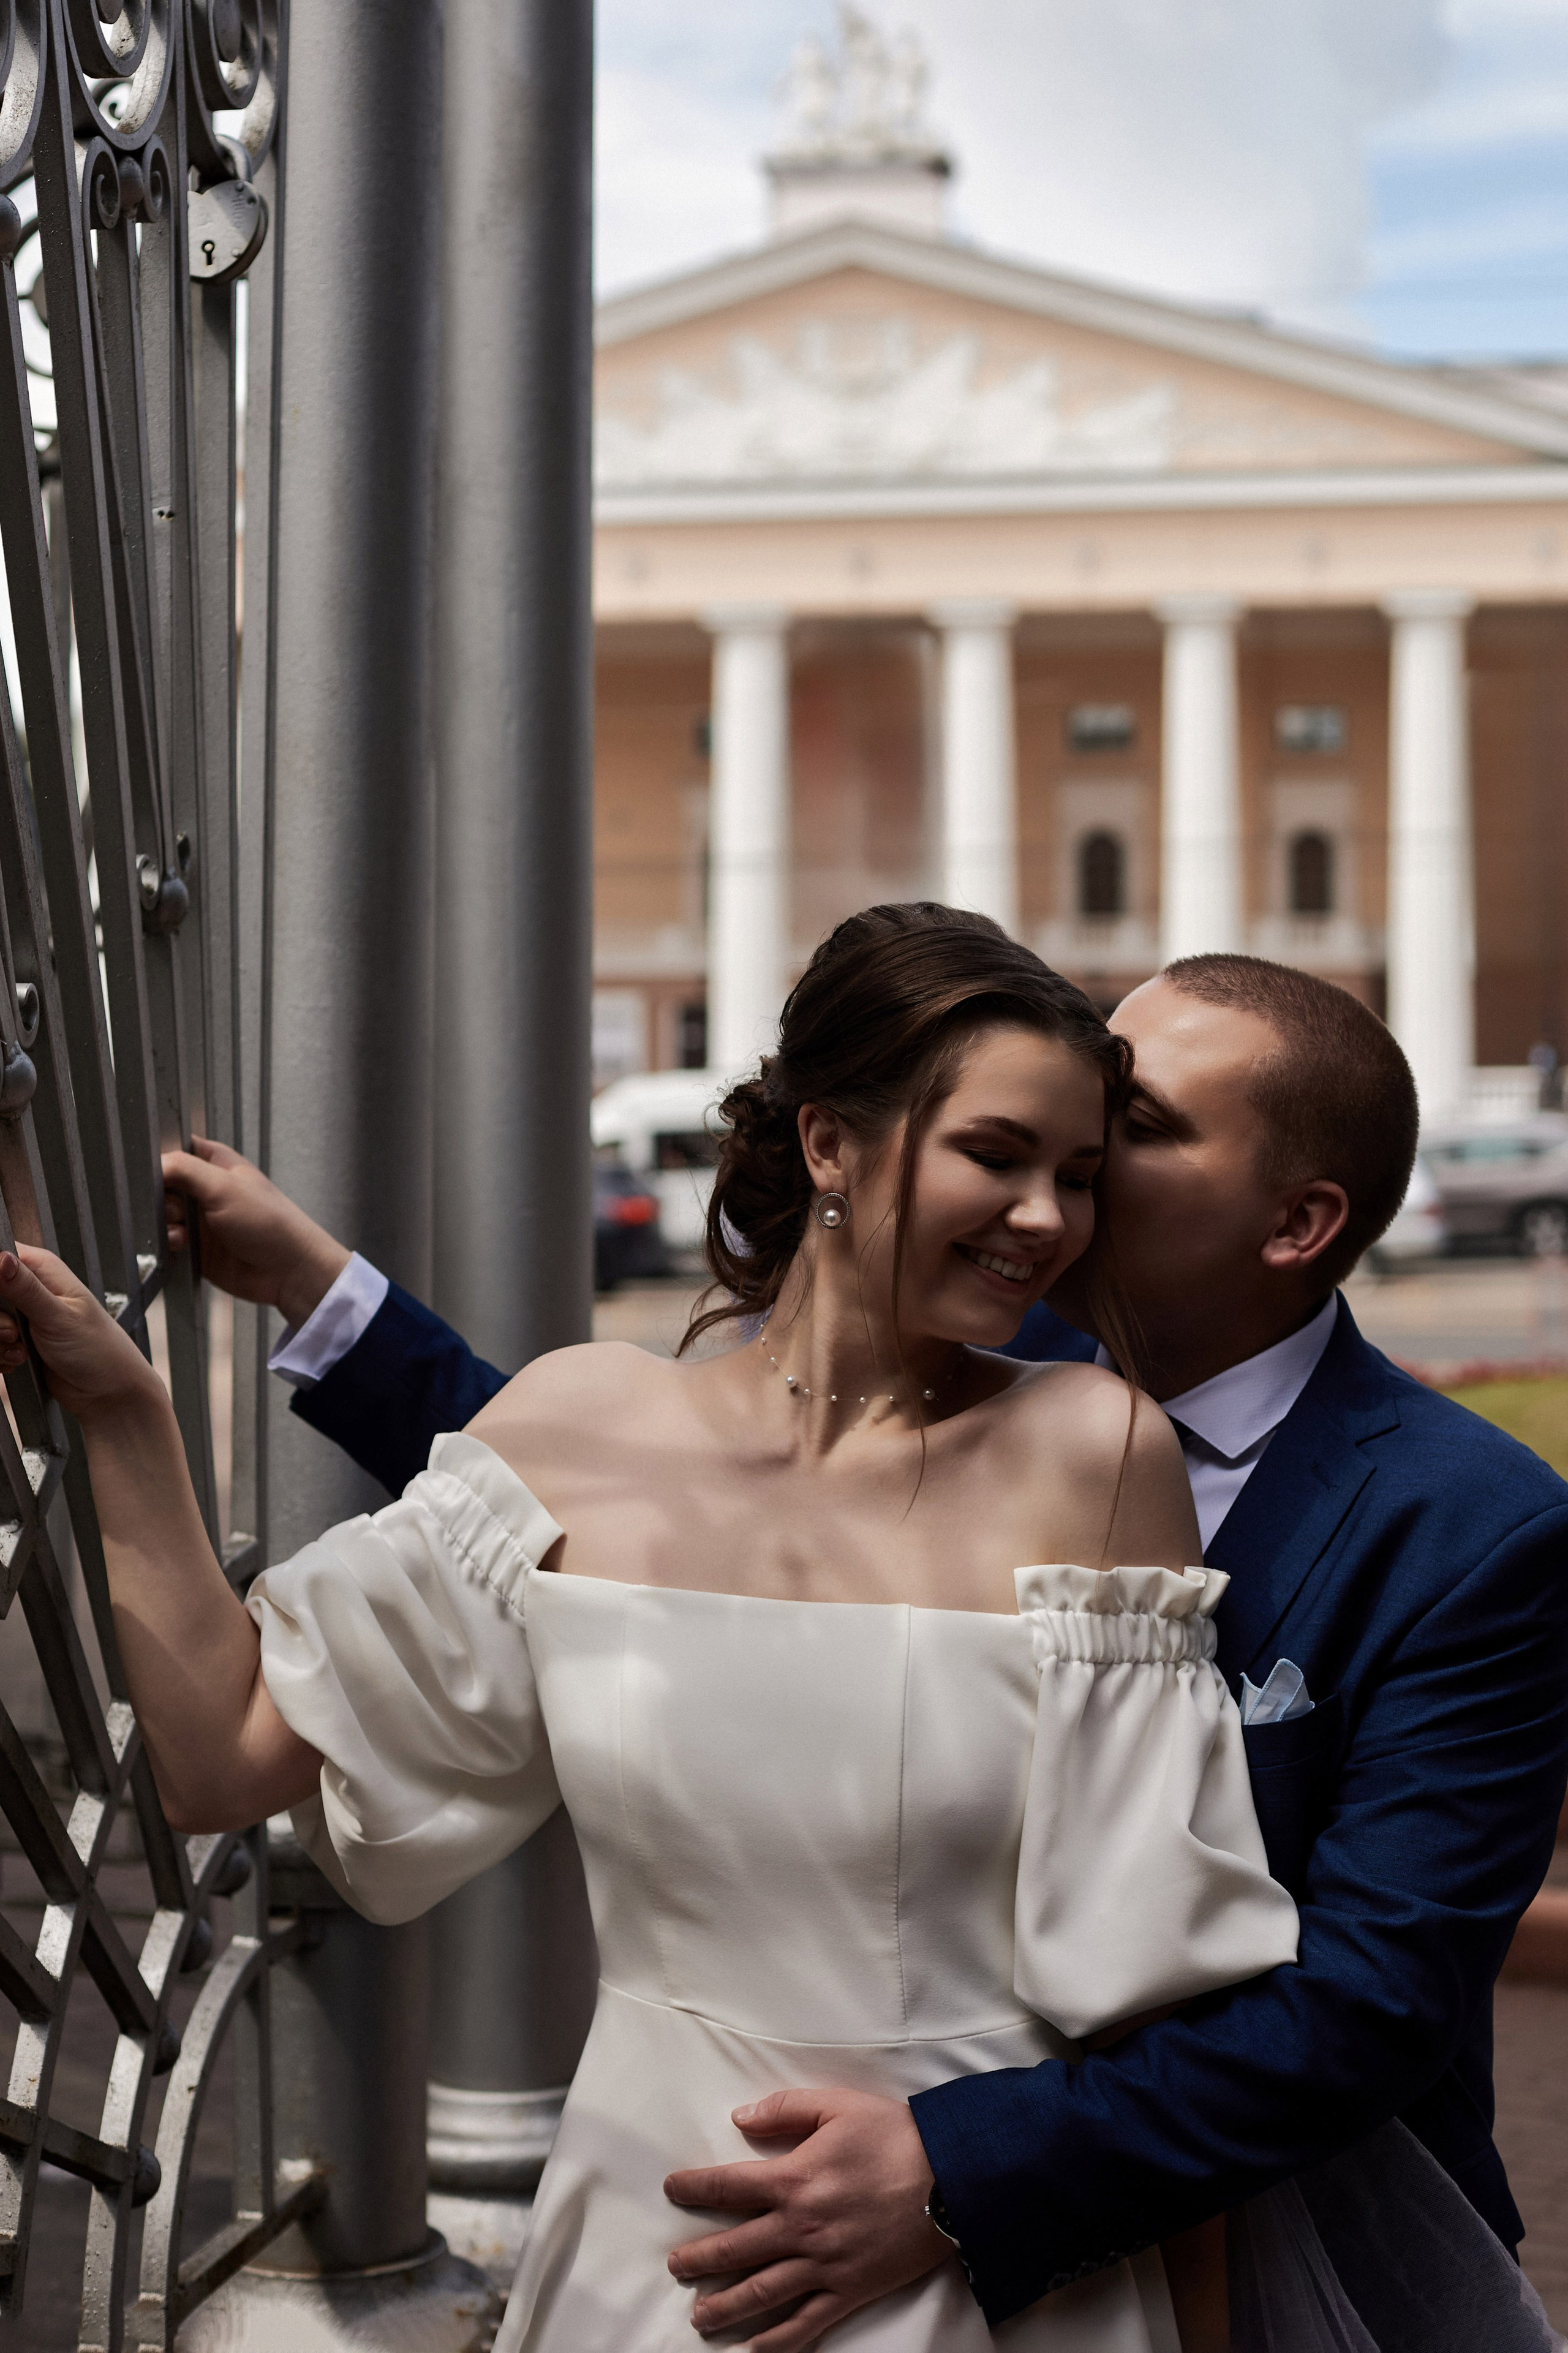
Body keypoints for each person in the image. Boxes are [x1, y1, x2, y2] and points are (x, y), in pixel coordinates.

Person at [144, 939, 1568, 2348]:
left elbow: (1365, 2004)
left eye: (1117, 1135)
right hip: (704, 2217)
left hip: (1270, 2250)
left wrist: (956, 2169)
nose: (1059, 1195)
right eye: (1027, 1141)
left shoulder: (1468, 1528)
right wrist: (325, 1299)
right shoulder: (988, 1360)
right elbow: (638, 1518)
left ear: (1294, 1222)